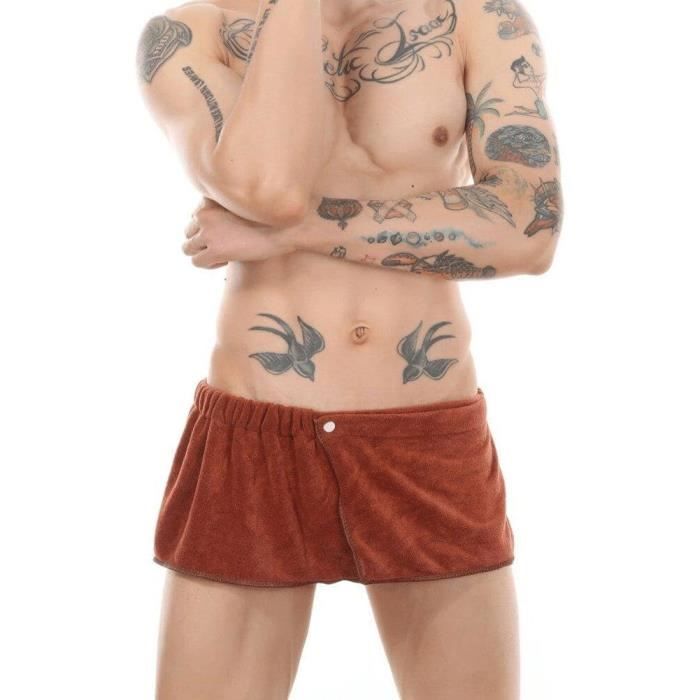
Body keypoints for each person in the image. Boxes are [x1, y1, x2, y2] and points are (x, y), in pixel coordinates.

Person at [137, 0, 562, 697]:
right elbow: (269, 189)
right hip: (257, 431)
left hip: (425, 431)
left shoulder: (477, 19)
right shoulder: (192, 33)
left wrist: (298, 235)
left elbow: (527, 228)